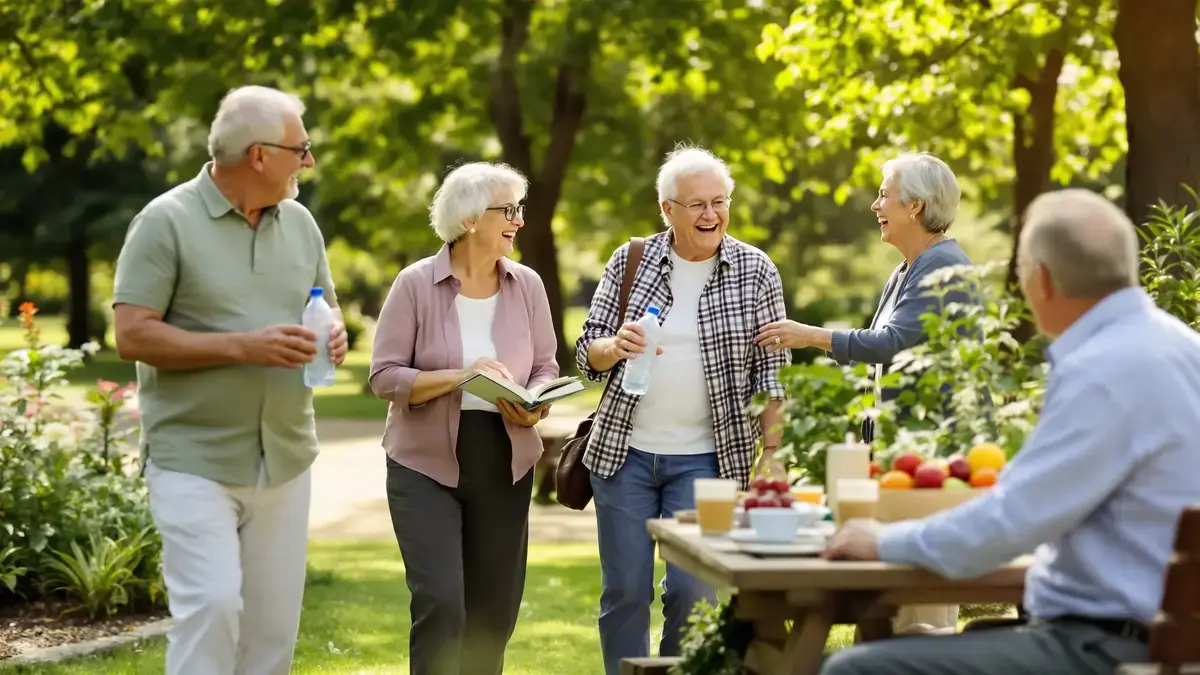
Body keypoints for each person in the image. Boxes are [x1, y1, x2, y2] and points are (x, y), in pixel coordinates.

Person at [820, 188, 1200, 675]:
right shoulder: (1180, 347)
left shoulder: (1102, 369)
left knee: (853, 669)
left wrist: (881, 540)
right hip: (1158, 639)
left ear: (1040, 280)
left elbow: (1009, 521)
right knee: (926, 641)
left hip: (1109, 649)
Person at [112, 85, 347, 675]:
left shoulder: (301, 225)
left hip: (286, 456)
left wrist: (335, 334)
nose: (309, 161)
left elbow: (324, 307)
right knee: (212, 609)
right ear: (259, 155)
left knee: (271, 634)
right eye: (300, 148)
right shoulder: (164, 222)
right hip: (194, 458)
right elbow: (132, 335)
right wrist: (242, 347)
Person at [576, 145, 790, 675]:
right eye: (696, 204)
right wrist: (614, 346)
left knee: (693, 594)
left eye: (719, 202)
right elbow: (587, 352)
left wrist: (772, 452)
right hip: (624, 455)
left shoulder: (756, 270)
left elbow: (772, 372)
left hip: (708, 461)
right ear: (667, 209)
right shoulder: (630, 260)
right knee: (626, 592)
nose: (711, 214)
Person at [756, 152, 973, 633]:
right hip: (899, 454)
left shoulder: (943, 267)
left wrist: (811, 336)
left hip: (929, 459)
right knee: (885, 593)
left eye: (883, 195)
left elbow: (891, 342)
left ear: (915, 206)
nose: (875, 206)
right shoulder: (907, 270)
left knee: (919, 599)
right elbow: (882, 356)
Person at [368, 161, 557, 675]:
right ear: (470, 219)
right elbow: (384, 376)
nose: (519, 220)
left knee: (493, 613)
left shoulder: (528, 285)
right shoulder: (415, 284)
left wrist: (536, 400)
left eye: (520, 209)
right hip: (423, 463)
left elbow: (545, 365)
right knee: (442, 602)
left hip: (505, 458)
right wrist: (461, 377)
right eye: (508, 210)